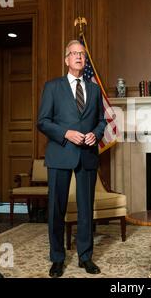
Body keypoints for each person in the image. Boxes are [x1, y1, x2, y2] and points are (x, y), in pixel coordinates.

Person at [37, 40, 107, 277]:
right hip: (60, 154)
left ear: (85, 61)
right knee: (56, 209)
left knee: (86, 210)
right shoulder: (52, 87)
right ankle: (57, 258)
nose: (79, 57)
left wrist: (95, 135)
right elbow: (43, 121)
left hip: (87, 155)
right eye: (74, 54)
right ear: (66, 59)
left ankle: (85, 257)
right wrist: (65, 133)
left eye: (82, 54)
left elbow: (101, 121)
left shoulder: (95, 89)